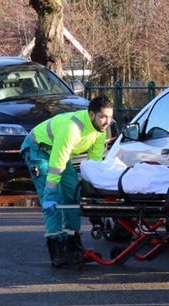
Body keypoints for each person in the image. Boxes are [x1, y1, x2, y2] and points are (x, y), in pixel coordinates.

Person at [21, 95, 115, 267]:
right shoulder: (71, 128)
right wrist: (49, 194)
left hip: (58, 153)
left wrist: (93, 196)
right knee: (54, 200)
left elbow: (94, 166)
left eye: (110, 117)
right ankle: (56, 249)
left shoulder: (100, 130)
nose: (107, 122)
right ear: (92, 114)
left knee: (73, 194)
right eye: (103, 117)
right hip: (39, 149)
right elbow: (57, 165)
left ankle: (73, 243)